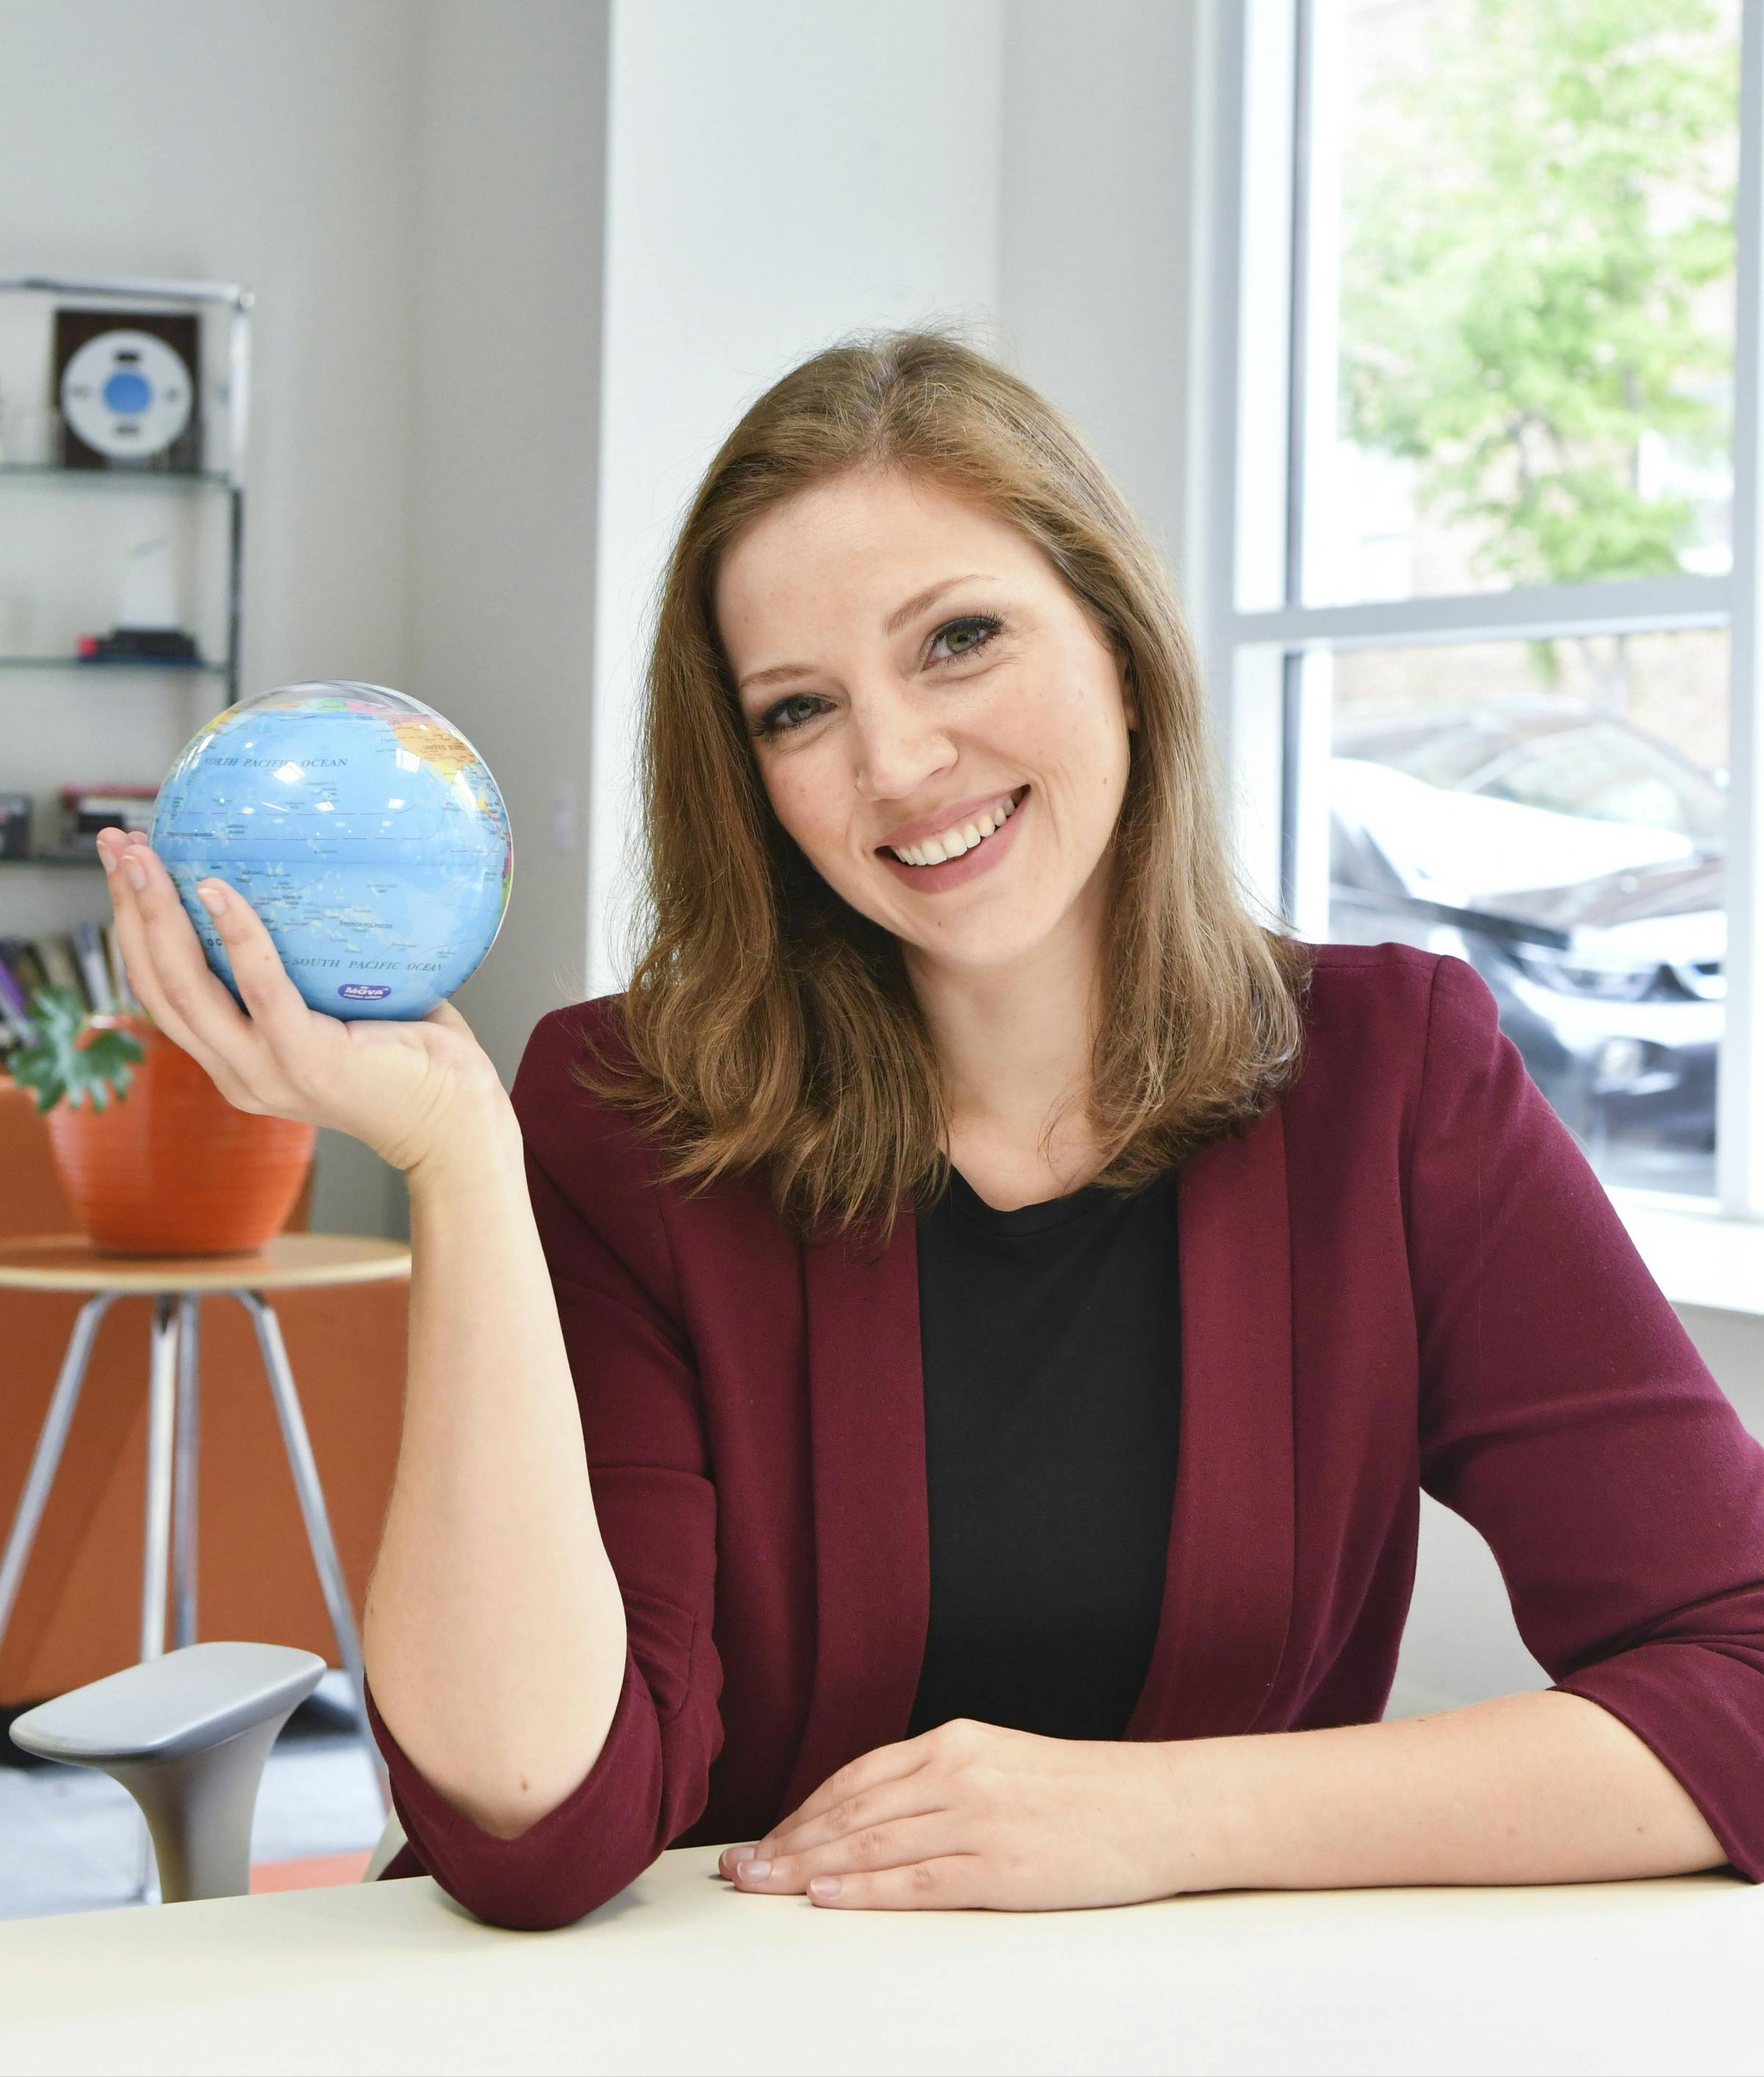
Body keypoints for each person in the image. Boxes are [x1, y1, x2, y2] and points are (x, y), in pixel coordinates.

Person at [98, 326, 1764, 1934]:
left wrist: (1156, 1816)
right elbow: (539, 1826)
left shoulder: (1395, 1076)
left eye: (959, 638)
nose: (897, 760)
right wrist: (456, 1158)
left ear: (1116, 636)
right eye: (795, 710)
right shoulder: (623, 1117)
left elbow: (1741, 1678)